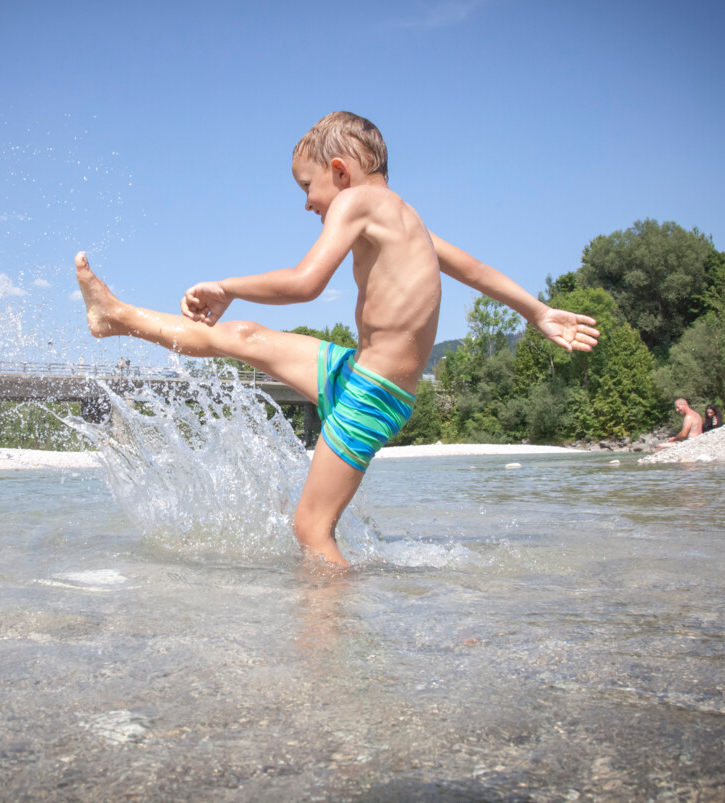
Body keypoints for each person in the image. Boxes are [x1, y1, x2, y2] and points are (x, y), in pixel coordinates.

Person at [75, 111, 599, 567]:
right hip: (359, 374)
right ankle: (115, 316)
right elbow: (476, 269)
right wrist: (537, 311)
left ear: (341, 172)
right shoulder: (406, 218)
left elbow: (306, 284)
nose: (307, 203)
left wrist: (226, 286)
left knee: (310, 530)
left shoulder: (359, 204)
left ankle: (331, 659)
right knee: (246, 337)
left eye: (308, 187)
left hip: (372, 393)